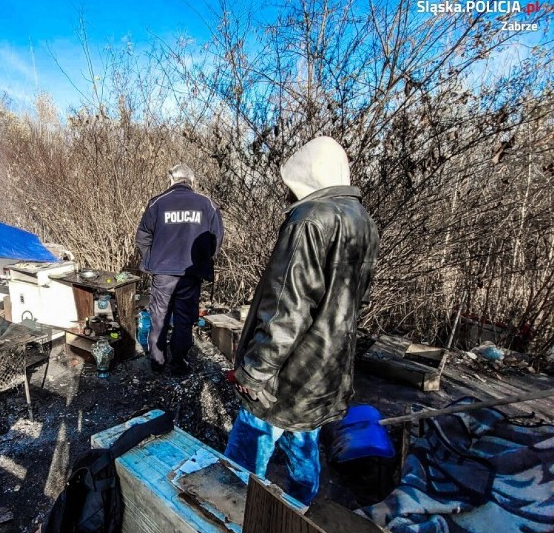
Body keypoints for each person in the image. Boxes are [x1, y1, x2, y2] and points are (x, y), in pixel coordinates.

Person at [224, 136, 379, 505]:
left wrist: (254, 372)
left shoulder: (309, 220)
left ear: (306, 175)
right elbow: (356, 300)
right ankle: (299, 515)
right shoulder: (364, 221)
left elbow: (286, 310)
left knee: (239, 466)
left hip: (285, 377)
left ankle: (231, 530)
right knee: (304, 449)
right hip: (326, 373)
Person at [135, 164, 224, 374]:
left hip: (163, 271)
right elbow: (216, 239)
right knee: (184, 319)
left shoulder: (157, 203)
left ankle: (157, 362)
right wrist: (203, 260)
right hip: (191, 273)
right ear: (191, 181)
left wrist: (151, 261)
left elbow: (142, 237)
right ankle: (178, 364)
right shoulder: (207, 204)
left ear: (171, 179)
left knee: (159, 317)